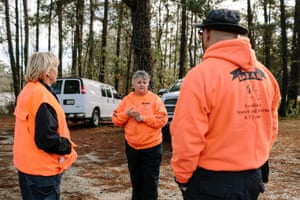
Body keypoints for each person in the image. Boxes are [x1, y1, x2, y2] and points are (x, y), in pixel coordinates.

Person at [170, 9, 281, 200]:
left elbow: (187, 136)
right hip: (252, 178)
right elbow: (271, 125)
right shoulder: (265, 74)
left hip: (212, 181)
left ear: (206, 34)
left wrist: (183, 178)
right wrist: (254, 158)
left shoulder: (201, 76)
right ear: (235, 35)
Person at [13, 52, 77, 200]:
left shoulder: (27, 91)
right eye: (56, 66)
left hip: (26, 167)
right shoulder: (42, 96)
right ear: (47, 72)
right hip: (42, 172)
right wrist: (67, 147)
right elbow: (46, 139)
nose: (57, 71)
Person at [112, 70, 168, 200]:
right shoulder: (127, 100)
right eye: (139, 82)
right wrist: (127, 114)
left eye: (145, 82)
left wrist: (143, 118)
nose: (142, 85)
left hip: (152, 148)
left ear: (148, 84)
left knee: (150, 183)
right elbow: (115, 119)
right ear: (133, 84)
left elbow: (162, 120)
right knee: (136, 182)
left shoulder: (155, 99)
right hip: (132, 148)